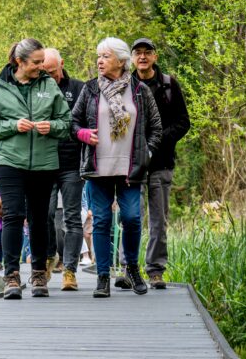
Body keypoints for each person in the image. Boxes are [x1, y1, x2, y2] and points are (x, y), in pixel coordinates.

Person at [0, 38, 71, 299]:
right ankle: (12, 276)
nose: (42, 67)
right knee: (14, 215)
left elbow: (66, 122)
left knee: (41, 218)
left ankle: (39, 272)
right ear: (19, 61)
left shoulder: (49, 85)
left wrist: (51, 127)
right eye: (36, 62)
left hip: (44, 162)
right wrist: (11, 126)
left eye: (43, 62)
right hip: (8, 161)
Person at [71, 37, 162, 298]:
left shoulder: (140, 91)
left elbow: (155, 127)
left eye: (106, 56)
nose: (100, 61)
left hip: (130, 169)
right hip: (97, 168)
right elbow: (73, 123)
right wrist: (83, 135)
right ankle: (102, 277)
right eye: (98, 56)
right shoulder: (89, 90)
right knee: (100, 221)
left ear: (121, 61)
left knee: (132, 218)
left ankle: (131, 268)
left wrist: (148, 152)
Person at [130, 37, 190, 289]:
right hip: (131, 164)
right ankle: (128, 268)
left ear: (155, 56)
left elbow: (182, 123)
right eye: (138, 53)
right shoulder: (125, 84)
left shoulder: (168, 85)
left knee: (158, 220)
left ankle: (155, 270)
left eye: (147, 52)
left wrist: (157, 142)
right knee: (131, 218)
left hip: (162, 162)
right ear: (132, 58)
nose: (142, 57)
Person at [43, 48, 86, 291]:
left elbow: (82, 122)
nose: (51, 77)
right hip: (45, 162)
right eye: (45, 73)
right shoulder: (37, 89)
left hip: (71, 163)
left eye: (53, 71)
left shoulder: (78, 88)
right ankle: (51, 255)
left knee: (71, 218)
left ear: (62, 64)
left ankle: (70, 270)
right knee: (46, 214)